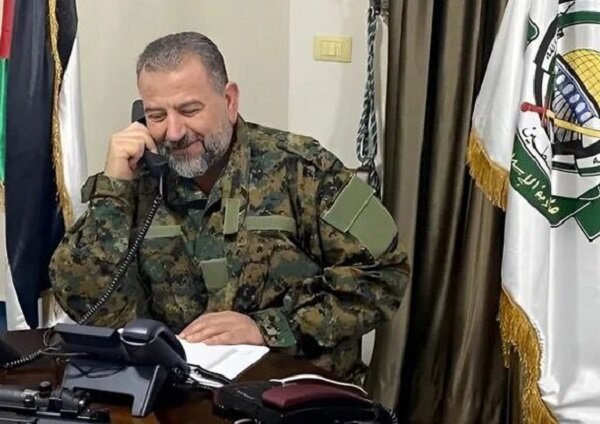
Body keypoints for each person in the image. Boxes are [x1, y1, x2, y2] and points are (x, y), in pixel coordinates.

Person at [49, 31, 409, 383]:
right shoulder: (136, 182)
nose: (173, 132)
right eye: (156, 115)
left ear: (230, 100)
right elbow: (86, 302)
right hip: (178, 395)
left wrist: (269, 328)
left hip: (295, 393)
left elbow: (384, 271)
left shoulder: (303, 168)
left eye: (189, 110)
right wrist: (113, 189)